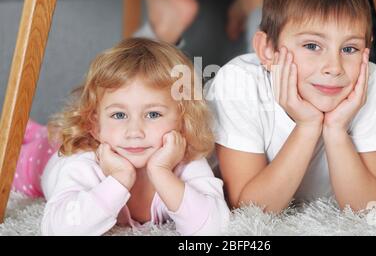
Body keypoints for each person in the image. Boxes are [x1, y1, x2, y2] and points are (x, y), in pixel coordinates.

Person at [206, 0, 376, 213]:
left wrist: (336, 130)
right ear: (268, 50)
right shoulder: (238, 82)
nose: (334, 67)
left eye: (350, 48)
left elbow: (370, 208)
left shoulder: (367, 81)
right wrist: (307, 126)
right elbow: (249, 210)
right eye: (312, 46)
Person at [13, 38, 230, 235]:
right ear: (94, 124)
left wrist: (162, 172)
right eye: (119, 114)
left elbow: (213, 227)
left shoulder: (185, 162)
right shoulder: (81, 164)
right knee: (16, 153)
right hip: (50, 153)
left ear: (184, 120)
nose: (134, 131)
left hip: (98, 138)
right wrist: (119, 178)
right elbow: (58, 230)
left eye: (153, 114)